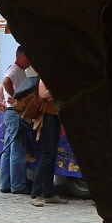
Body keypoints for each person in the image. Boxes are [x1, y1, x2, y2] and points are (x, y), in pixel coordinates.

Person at [0, 46, 32, 195]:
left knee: (8, 149)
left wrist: (3, 98)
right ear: (20, 56)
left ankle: (5, 183)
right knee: (17, 150)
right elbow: (5, 82)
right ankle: (17, 185)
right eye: (28, 58)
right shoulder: (14, 69)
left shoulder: (17, 70)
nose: (30, 62)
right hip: (15, 113)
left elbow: (2, 84)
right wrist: (16, 97)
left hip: (11, 113)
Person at [30, 79, 68, 208]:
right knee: (47, 156)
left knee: (51, 156)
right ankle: (36, 194)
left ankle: (48, 193)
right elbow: (43, 94)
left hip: (56, 116)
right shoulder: (44, 78)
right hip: (48, 117)